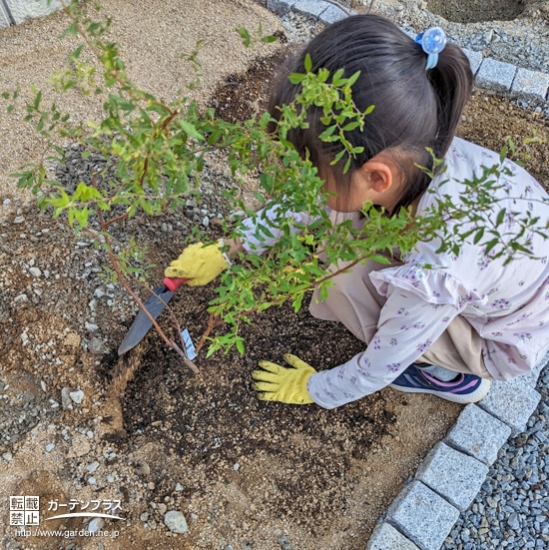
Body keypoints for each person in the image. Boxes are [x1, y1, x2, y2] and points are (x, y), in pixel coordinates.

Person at [165, 14, 549, 409]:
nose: (299, 180)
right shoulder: (414, 143)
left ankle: (445, 376)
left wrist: (317, 388)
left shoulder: (440, 271)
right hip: (499, 277)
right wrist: (230, 248)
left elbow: (382, 360)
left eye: (311, 172)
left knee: (342, 270)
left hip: (496, 339)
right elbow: (312, 202)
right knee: (338, 218)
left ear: (377, 179)